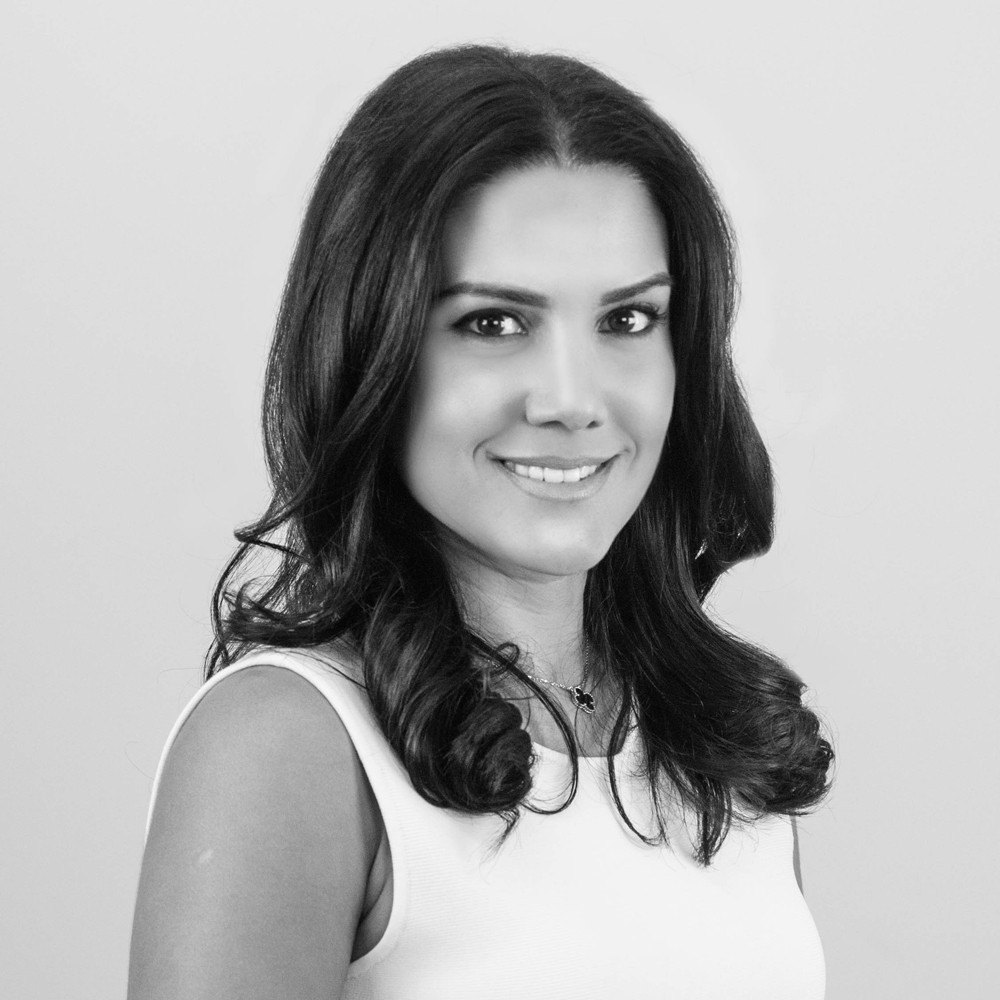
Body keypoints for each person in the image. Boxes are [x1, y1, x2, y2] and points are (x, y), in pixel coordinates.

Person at [128, 43, 834, 999]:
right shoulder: (288, 748)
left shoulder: (733, 750)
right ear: (372, 348)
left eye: (627, 320)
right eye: (494, 322)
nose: (573, 400)